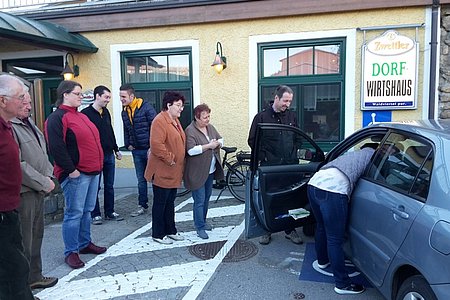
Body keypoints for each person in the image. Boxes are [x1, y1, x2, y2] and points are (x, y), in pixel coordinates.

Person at [45, 80, 106, 269]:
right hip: (76, 175)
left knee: (86, 211)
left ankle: (84, 243)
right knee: (74, 213)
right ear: (66, 94)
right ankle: (71, 251)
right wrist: (71, 170)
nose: (82, 97)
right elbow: (56, 147)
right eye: (78, 94)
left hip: (93, 172)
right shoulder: (57, 118)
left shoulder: (81, 116)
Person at [307, 144, 378, 295]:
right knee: (335, 239)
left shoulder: (354, 155)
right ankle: (342, 284)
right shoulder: (374, 156)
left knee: (321, 227)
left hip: (314, 184)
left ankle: (322, 261)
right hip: (333, 190)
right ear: (379, 149)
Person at [11, 92, 58, 290]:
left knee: (36, 236)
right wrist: (43, 182)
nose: (29, 106)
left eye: (30, 103)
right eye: (25, 103)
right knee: (24, 241)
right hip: (24, 191)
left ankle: (35, 277)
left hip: (37, 189)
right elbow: (17, 164)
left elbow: (40, 152)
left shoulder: (28, 122)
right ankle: (22, 288)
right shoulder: (10, 126)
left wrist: (48, 175)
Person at [248, 85, 303, 245]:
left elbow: (298, 137)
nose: (288, 104)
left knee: (290, 199)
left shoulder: (292, 116)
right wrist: (266, 157)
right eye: (285, 100)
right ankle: (267, 230)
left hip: (290, 166)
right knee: (270, 200)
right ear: (276, 98)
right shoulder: (261, 118)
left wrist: (295, 152)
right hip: (270, 168)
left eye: (290, 101)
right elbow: (252, 140)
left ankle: (289, 229)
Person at [0, 74, 35, 299]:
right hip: (1, 213)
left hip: (10, 209)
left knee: (14, 268)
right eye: (20, 97)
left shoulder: (7, 126)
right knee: (14, 268)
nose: (25, 101)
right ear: (3, 100)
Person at [145, 91, 186, 245]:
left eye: (182, 106)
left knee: (169, 203)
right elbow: (156, 145)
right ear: (168, 105)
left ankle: (171, 230)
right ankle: (158, 233)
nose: (181, 108)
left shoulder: (175, 120)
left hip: (173, 171)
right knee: (160, 204)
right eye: (178, 105)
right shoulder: (159, 121)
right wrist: (171, 159)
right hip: (163, 170)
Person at [82, 85, 123, 225]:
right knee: (95, 186)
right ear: (97, 96)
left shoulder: (106, 112)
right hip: (95, 156)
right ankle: (95, 214)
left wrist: (116, 149)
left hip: (109, 154)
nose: (108, 100)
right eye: (106, 97)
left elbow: (109, 131)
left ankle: (110, 212)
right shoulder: (86, 114)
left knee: (109, 185)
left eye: (109, 98)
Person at [184, 104, 224, 239]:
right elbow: (190, 150)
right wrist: (209, 146)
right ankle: (199, 226)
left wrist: (218, 143)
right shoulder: (190, 130)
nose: (207, 119)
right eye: (205, 117)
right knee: (199, 200)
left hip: (210, 170)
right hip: (197, 172)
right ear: (197, 117)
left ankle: (203, 221)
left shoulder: (210, 127)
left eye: (208, 116)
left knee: (206, 198)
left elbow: (220, 139)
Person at [120, 84, 156, 217]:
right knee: (141, 180)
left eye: (123, 96)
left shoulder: (146, 108)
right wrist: (127, 144)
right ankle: (142, 205)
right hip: (136, 151)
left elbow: (156, 127)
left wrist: (153, 147)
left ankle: (158, 205)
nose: (121, 99)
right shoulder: (124, 111)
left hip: (150, 150)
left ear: (131, 96)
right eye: (120, 97)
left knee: (155, 178)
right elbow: (126, 129)